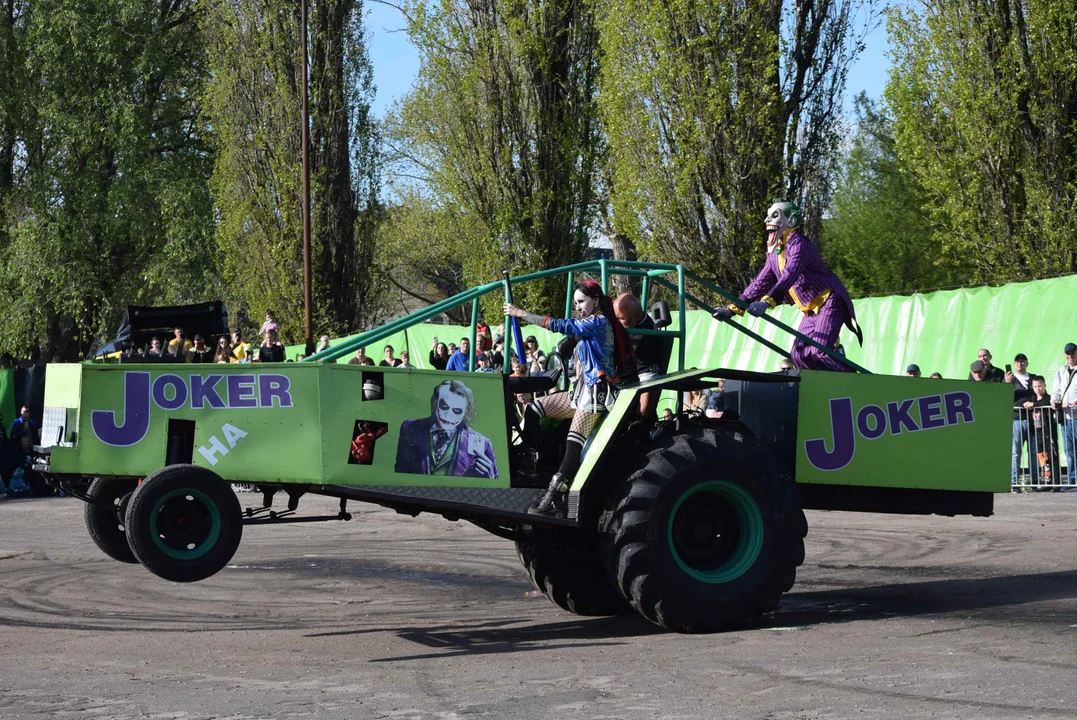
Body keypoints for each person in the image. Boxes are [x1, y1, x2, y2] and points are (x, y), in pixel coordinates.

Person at [504, 279, 632, 517]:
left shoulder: (599, 321)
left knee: (574, 443)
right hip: (579, 392)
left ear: (596, 299)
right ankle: (532, 467)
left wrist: (520, 313)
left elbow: (559, 324)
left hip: (596, 392)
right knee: (534, 409)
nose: (579, 307)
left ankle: (554, 497)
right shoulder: (589, 324)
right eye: (576, 303)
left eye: (582, 301)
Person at [711, 201, 861, 371]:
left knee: (820, 351)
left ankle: (852, 381)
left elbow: (790, 275)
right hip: (810, 311)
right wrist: (732, 309)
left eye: (775, 215)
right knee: (799, 356)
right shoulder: (775, 253)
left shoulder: (800, 245)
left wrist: (766, 303)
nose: (767, 219)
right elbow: (760, 282)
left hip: (829, 301)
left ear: (790, 221)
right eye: (768, 215)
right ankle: (822, 390)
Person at [394, 380, 498, 478]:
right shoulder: (410, 428)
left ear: (466, 411)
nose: (449, 415)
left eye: (457, 411)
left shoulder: (484, 444)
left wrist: (491, 477)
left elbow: (495, 483)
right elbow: (400, 470)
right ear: (435, 403)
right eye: (444, 406)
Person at [614, 293, 672, 420]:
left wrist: (641, 419)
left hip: (626, 400)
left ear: (637, 314)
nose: (617, 323)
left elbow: (649, 382)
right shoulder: (628, 327)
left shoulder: (646, 338)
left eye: (621, 319)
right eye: (615, 319)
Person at [1050, 343, 1077, 485]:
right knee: (1069, 451)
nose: (1070, 356)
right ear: (1064, 355)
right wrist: (1054, 400)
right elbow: (1056, 390)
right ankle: (1072, 480)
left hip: (1076, 414)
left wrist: (1073, 402)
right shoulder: (1061, 371)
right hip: (1066, 417)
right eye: (1068, 353)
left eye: (1073, 353)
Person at [1024, 376, 1059, 486]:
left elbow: (1046, 403)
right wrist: (1026, 404)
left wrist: (1033, 405)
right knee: (1042, 458)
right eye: (1035, 386)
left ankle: (1056, 482)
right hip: (1037, 433)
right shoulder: (1032, 399)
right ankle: (1046, 481)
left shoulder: (1048, 398)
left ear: (1044, 386)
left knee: (1053, 456)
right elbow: (1021, 403)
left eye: (1040, 386)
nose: (1038, 389)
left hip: (1049, 433)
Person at [1008, 353, 1035, 485]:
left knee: (1034, 452)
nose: (1020, 363)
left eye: (1022, 361)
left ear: (1027, 363)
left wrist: (1033, 404)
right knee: (1016, 453)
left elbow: (1041, 395)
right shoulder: (1009, 379)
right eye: (1017, 361)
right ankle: (1014, 482)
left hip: (1033, 419)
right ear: (1014, 364)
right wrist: (1006, 384)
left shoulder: (1034, 378)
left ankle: (1035, 481)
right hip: (1016, 419)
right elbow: (1003, 397)